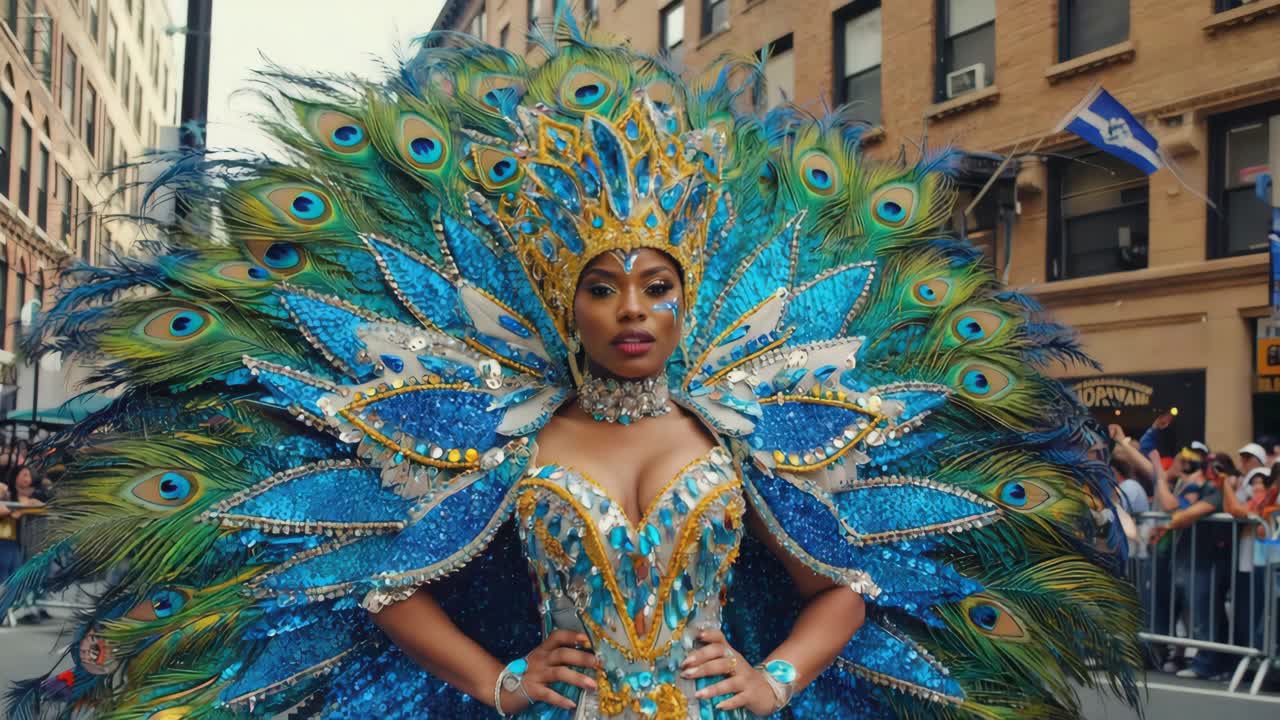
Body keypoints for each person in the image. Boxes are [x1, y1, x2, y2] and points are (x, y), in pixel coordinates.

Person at [0, 15, 1142, 719]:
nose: (630, 311)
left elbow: (844, 580)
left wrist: (773, 680)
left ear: (690, 296)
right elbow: (386, 581)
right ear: (566, 302)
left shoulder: (738, 432)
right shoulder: (513, 434)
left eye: (655, 286)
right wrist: (495, 679)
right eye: (602, 287)